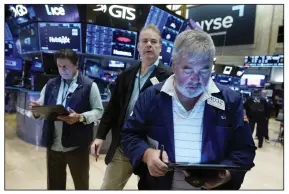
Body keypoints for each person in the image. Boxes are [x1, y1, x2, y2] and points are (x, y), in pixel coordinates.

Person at [120, 30, 256, 190]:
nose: (195, 79)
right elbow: (129, 135)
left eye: (204, 70)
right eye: (187, 69)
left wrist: (225, 175)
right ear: (174, 64)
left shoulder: (230, 101)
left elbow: (244, 150)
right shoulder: (151, 97)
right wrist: (146, 154)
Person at [90, 24, 173, 189]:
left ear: (160, 47)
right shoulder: (126, 75)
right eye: (145, 41)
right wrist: (100, 135)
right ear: (138, 46)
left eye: (153, 41)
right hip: (124, 144)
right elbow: (113, 108)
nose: (149, 44)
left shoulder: (170, 78)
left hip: (151, 150)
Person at [29, 49, 104, 190]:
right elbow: (41, 106)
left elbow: (99, 111)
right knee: (54, 184)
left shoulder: (89, 86)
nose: (62, 70)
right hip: (54, 144)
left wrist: (81, 117)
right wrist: (36, 110)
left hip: (77, 145)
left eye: (66, 67)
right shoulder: (51, 84)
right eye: (59, 66)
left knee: (80, 183)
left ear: (76, 65)